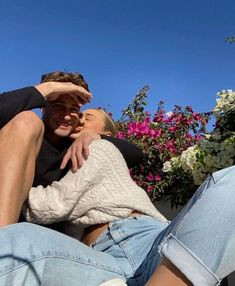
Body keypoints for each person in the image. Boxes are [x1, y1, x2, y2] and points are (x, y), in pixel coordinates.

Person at [20, 108, 235, 286]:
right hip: (109, 257)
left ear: (106, 134)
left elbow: (51, 205)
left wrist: (10, 183)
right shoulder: (67, 162)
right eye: (80, 116)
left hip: (136, 240)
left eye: (89, 118)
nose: (79, 120)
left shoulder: (98, 148)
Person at [0, 71, 144, 227]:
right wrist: (47, 88)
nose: (67, 116)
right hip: (10, 229)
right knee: (26, 120)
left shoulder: (76, 147)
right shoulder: (22, 135)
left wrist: (94, 136)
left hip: (53, 236)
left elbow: (136, 155)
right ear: (43, 107)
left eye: (74, 109)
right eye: (58, 106)